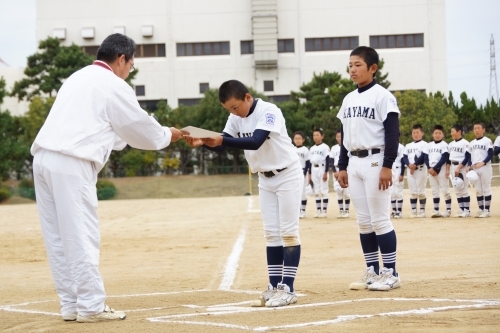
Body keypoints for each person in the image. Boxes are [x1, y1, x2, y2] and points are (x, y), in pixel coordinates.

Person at [31, 34, 183, 323]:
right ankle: (90, 306)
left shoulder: (78, 77)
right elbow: (139, 127)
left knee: (58, 238)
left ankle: (72, 304)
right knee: (81, 235)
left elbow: (109, 131)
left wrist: (159, 134)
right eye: (131, 65)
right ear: (122, 59)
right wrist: (167, 134)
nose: (129, 71)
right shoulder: (113, 84)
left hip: (43, 158)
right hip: (71, 162)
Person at [185, 80, 302, 307]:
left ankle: (288, 288)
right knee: (271, 233)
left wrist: (219, 139)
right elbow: (221, 143)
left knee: (288, 232)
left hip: (287, 174)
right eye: (228, 109)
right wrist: (204, 142)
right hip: (265, 178)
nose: (233, 113)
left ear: (247, 97)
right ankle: (275, 285)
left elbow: (256, 141)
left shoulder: (269, 111)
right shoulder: (236, 117)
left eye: (235, 107)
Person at [337, 46, 401, 291]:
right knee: (363, 222)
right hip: (354, 162)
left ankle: (391, 273)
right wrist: (342, 165)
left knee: (380, 220)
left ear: (373, 68)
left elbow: (393, 133)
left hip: (376, 160)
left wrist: (387, 165)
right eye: (350, 65)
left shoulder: (383, 96)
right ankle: (372, 271)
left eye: (358, 65)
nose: (352, 70)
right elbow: (344, 135)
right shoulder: (348, 98)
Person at [423, 125, 452, 218]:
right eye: (436, 133)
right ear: (432, 134)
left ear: (443, 134)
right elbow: (425, 157)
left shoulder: (445, 145)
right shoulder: (429, 145)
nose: (437, 135)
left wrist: (435, 168)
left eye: (439, 133)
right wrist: (429, 168)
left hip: (441, 169)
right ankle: (436, 210)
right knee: (434, 191)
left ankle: (448, 210)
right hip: (431, 169)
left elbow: (444, 158)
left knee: (445, 190)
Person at [467, 122, 493, 218]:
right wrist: (469, 165)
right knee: (478, 190)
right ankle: (481, 209)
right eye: (475, 128)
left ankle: (487, 210)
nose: (476, 130)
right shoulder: (472, 143)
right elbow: (469, 156)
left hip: (484, 167)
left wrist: (483, 162)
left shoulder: (487, 141)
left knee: (486, 188)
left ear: (483, 129)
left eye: (478, 128)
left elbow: (490, 154)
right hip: (475, 168)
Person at [403, 124, 428, 218]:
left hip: (420, 169)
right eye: (414, 132)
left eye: (417, 132)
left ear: (422, 133)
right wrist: (409, 165)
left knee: (421, 191)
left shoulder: (425, 144)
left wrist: (414, 165)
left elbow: (423, 157)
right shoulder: (408, 145)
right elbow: (404, 157)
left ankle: (422, 211)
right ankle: (413, 211)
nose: (415, 134)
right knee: (413, 191)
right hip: (410, 170)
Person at [448, 125, 471, 217]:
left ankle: (467, 210)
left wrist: (459, 167)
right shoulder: (451, 144)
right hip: (453, 166)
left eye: (453, 131)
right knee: (456, 188)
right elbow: (448, 158)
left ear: (459, 132)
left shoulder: (465, 143)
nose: (451, 133)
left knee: (463, 188)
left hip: (461, 166)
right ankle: (461, 209)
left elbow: (467, 157)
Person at [308, 128, 330, 218]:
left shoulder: (325, 147)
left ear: (322, 136)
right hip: (314, 168)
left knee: (323, 189)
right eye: (314, 135)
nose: (315, 137)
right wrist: (310, 174)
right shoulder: (312, 148)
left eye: (317, 135)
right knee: (316, 190)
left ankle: (324, 211)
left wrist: (326, 172)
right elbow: (309, 162)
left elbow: (328, 160)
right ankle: (318, 210)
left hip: (322, 168)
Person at [330, 130, 350, 218]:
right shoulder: (334, 148)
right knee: (338, 191)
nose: (339, 138)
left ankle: (347, 211)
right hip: (337, 170)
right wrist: (335, 172)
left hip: (346, 170)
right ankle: (341, 210)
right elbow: (331, 161)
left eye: (341, 136)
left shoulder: (347, 146)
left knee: (346, 192)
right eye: (338, 136)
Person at [294, 131, 311, 218]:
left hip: (302, 171)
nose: (297, 140)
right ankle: (297, 211)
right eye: (296, 138)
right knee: (294, 192)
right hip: (294, 172)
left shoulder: (305, 149)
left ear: (303, 140)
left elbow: (308, 163)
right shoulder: (292, 149)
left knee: (303, 191)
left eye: (299, 138)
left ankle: (303, 211)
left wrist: (305, 173)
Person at [390, 142, 405, 219]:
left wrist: (402, 174)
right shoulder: (387, 145)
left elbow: (403, 161)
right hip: (390, 169)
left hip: (398, 169)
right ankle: (394, 211)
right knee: (391, 192)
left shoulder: (401, 147)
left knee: (398, 191)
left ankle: (399, 211)